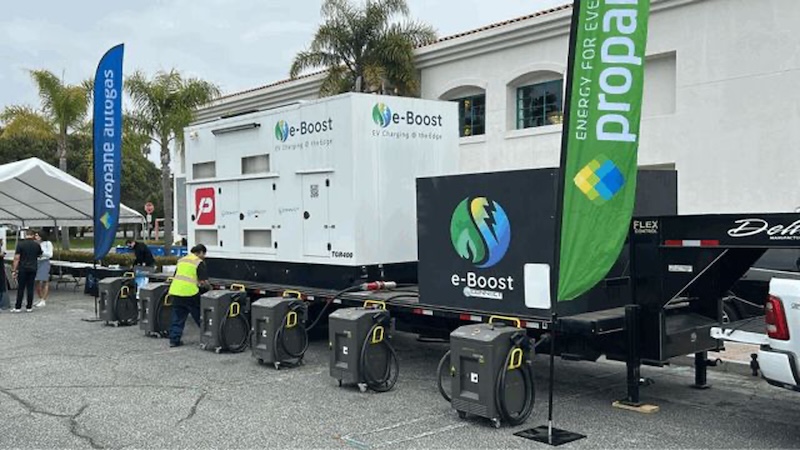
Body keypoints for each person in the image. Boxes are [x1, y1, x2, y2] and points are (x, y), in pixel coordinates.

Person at [167, 244, 210, 347]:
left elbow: (176, 276)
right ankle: (208, 338)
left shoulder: (181, 260)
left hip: (176, 291)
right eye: (204, 254)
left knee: (177, 317)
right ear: (200, 252)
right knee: (200, 317)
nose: (204, 256)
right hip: (190, 293)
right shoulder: (198, 262)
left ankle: (174, 340)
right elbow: (203, 282)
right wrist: (210, 288)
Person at [12, 229, 42, 312]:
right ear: (33, 235)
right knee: (30, 287)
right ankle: (29, 307)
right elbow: (40, 255)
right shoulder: (37, 245)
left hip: (23, 268)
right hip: (33, 268)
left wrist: (14, 270)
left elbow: (17, 258)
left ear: (26, 235)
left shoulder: (20, 244)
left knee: (21, 288)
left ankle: (18, 307)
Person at [34, 231, 53, 308]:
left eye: (38, 236)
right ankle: (40, 297)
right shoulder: (35, 243)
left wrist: (41, 252)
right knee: (36, 281)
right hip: (36, 262)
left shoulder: (47, 243)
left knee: (44, 281)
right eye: (35, 236)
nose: (36, 237)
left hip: (44, 262)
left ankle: (43, 300)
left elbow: (50, 254)